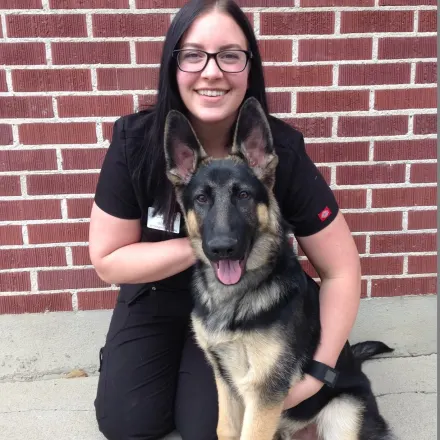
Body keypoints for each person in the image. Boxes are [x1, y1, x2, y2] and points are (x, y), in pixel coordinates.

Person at [88, 0, 362, 439]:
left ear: (249, 67)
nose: (211, 71)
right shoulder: (136, 141)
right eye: (193, 54)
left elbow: (342, 270)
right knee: (128, 421)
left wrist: (317, 372)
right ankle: (133, 357)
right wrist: (206, 245)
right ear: (172, 64)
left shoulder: (278, 150)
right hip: (156, 295)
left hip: (244, 299)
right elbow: (107, 260)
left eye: (230, 55)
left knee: (206, 428)